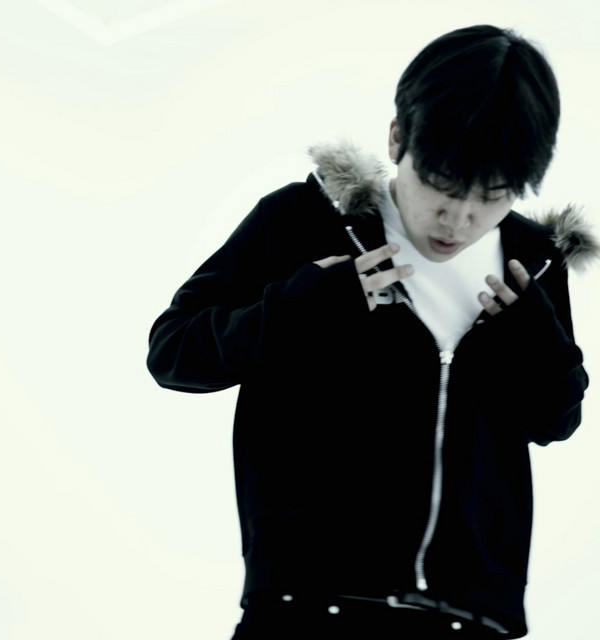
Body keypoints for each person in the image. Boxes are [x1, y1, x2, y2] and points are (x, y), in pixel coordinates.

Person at [147, 24, 597, 639]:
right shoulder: (302, 222)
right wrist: (304, 307)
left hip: (470, 621)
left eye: (492, 196)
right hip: (308, 607)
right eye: (441, 185)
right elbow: (174, 353)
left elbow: (554, 421)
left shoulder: (532, 263)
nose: (459, 219)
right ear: (397, 137)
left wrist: (540, 346)